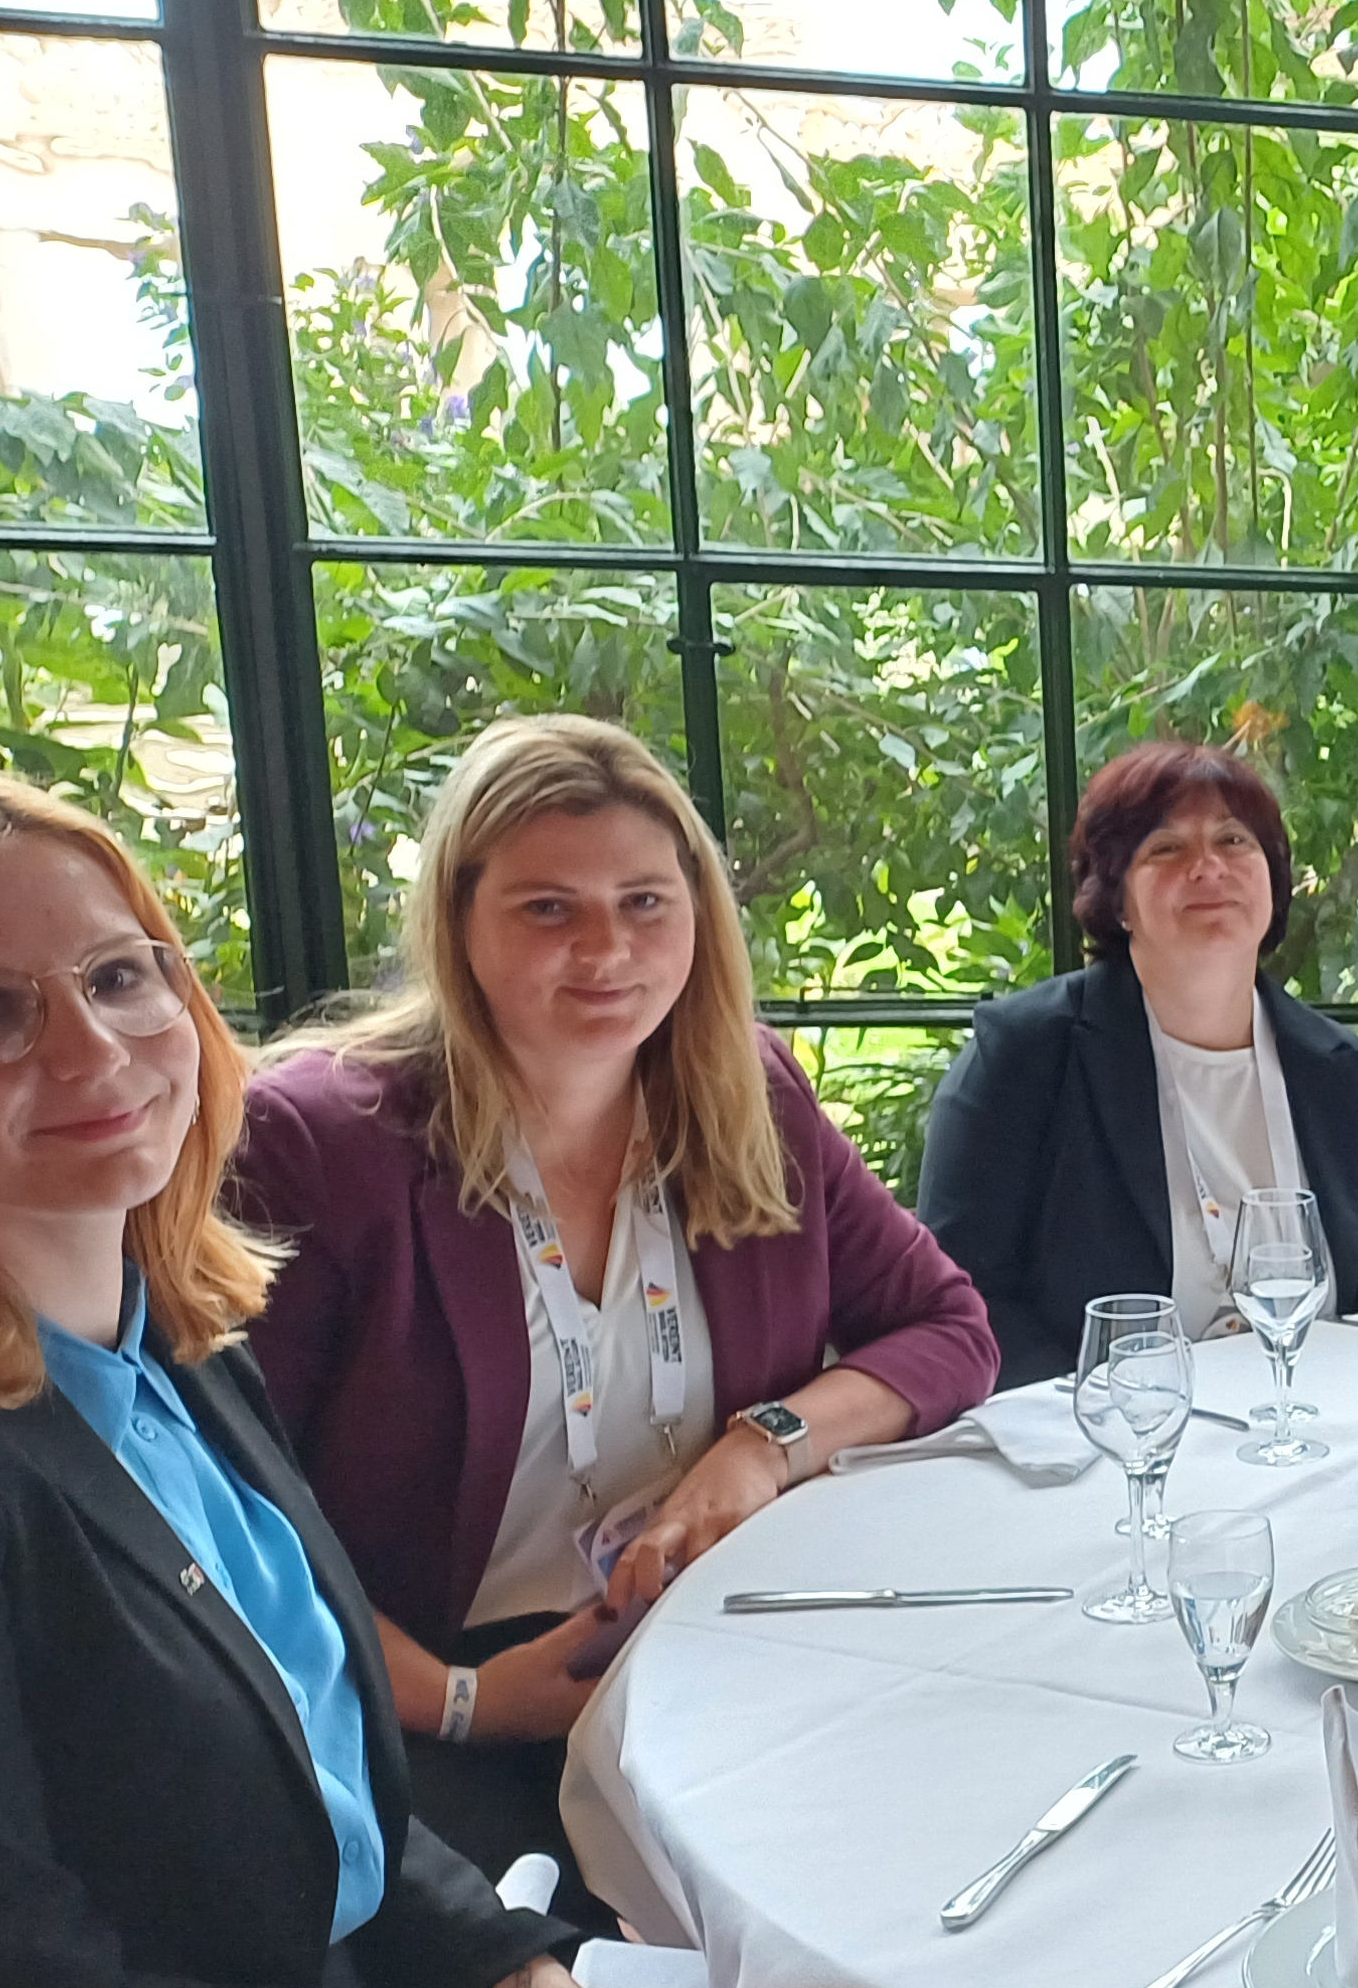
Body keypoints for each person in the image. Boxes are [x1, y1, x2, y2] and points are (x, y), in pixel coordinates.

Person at [0, 769, 725, 1988]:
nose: (91, 1046)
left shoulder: (169, 1343)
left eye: (121, 974)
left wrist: (519, 1983)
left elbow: (332, 1797)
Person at [229, 718, 996, 1915]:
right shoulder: (321, 1141)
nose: (607, 950)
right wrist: (461, 1700)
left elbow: (946, 1330)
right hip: (425, 1706)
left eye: (645, 902)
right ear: (458, 921)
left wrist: (765, 1446)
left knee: (947, 1862)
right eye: (548, 909)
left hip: (718, 1651)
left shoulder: (749, 1094)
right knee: (615, 1980)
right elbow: (217, 1507)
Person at [919, 738, 1358, 1387]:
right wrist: (1112, 1409)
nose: (1208, 867)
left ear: (1273, 880)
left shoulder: (1344, 1076)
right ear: (1117, 900)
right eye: (1166, 848)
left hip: (1312, 1424)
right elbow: (960, 1297)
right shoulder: (1026, 1056)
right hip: (1101, 1434)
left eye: (1234, 840)